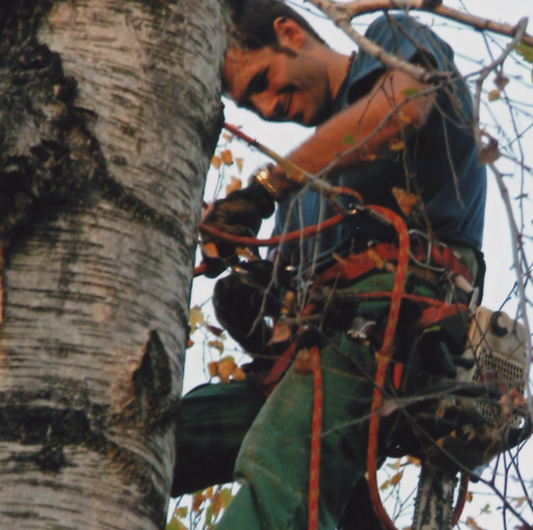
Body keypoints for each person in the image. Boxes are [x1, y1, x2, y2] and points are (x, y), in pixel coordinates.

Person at [172, 1, 487, 528]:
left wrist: (269, 184)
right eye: (252, 105)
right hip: (317, 362)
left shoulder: (387, 42)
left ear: (290, 33)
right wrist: (254, 307)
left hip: (394, 327)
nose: (269, 108)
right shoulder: (300, 206)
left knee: (279, 475)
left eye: (264, 81)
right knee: (158, 434)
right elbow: (283, 337)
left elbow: (405, 105)